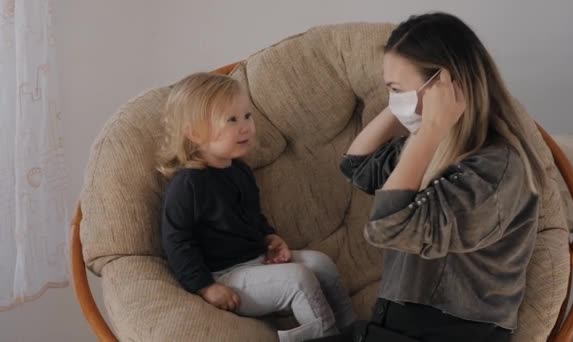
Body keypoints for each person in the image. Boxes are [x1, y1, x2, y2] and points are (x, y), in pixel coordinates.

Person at [309, 12, 545, 342]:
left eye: (397, 90)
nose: (394, 101)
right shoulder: (436, 148)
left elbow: (389, 227)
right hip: (391, 329)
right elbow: (356, 166)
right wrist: (403, 106)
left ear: (444, 87)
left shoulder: (496, 170)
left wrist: (431, 129)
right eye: (390, 90)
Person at [157, 72, 355, 342]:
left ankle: (354, 330)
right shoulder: (188, 185)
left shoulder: (239, 170)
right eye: (231, 120)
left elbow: (252, 216)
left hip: (257, 261)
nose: (245, 127)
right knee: (298, 279)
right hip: (225, 275)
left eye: (247, 116)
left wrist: (269, 237)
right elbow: (176, 241)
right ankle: (328, 337)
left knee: (322, 263)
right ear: (194, 132)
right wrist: (206, 287)